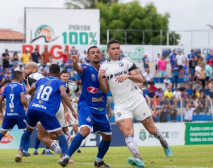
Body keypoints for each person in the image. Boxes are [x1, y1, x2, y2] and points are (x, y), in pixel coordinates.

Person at [98, 40, 172, 168]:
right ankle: (139, 159)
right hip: (121, 104)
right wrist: (100, 78)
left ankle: (164, 143)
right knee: (127, 132)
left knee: (152, 129)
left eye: (118, 48)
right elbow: (105, 90)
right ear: (107, 51)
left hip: (136, 99)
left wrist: (127, 76)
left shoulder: (127, 62)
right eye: (113, 49)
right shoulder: (104, 67)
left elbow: (140, 78)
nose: (116, 51)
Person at [58, 46, 112, 168]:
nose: (96, 54)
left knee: (108, 136)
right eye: (92, 53)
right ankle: (66, 157)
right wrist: (75, 62)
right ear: (88, 56)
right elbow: (78, 68)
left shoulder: (106, 70)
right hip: (86, 106)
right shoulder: (86, 68)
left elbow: (106, 89)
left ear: (101, 55)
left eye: (98, 52)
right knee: (85, 130)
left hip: (100, 109)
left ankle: (98, 161)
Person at [15, 64, 77, 163]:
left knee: (28, 131)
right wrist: (72, 110)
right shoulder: (60, 82)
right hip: (46, 110)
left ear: (48, 72)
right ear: (58, 74)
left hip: (33, 107)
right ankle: (64, 157)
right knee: (60, 133)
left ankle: (19, 151)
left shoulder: (41, 80)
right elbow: (63, 95)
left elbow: (30, 90)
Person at [0, 71, 28, 157]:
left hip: (8, 114)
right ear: (20, 77)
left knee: (2, 132)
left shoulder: (6, 87)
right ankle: (23, 151)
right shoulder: (21, 86)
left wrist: (1, 112)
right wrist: (29, 107)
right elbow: (22, 100)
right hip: (19, 114)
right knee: (27, 131)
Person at [60, 70, 81, 153]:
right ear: (60, 76)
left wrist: (79, 98)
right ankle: (66, 144)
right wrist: (73, 99)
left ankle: (77, 146)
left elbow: (78, 92)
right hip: (61, 108)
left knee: (75, 127)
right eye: (63, 76)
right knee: (62, 128)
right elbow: (64, 97)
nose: (65, 78)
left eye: (66, 76)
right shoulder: (59, 84)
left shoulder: (73, 84)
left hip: (72, 107)